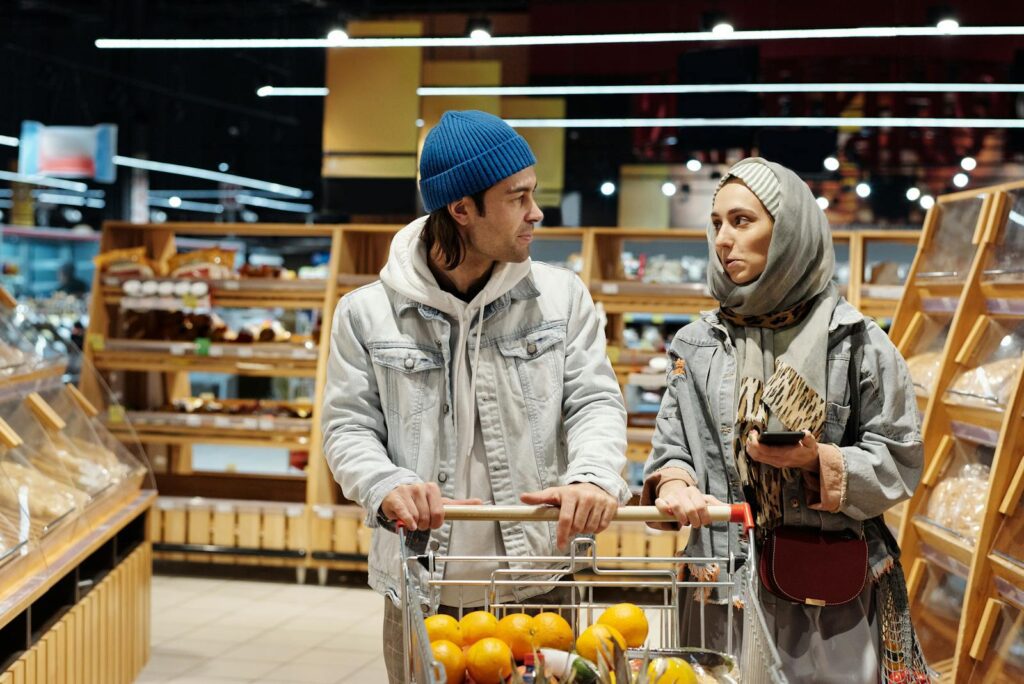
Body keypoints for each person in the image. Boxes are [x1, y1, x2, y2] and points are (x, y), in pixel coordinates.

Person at [321, 110, 629, 683]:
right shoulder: (366, 314)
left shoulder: (561, 299)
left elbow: (595, 402)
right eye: (517, 197)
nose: (536, 212)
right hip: (421, 581)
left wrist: (592, 476)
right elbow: (347, 426)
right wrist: (385, 483)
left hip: (538, 579)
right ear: (462, 209)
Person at [643, 158, 930, 683]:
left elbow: (901, 458)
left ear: (790, 228)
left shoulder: (858, 343)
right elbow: (673, 448)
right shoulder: (696, 344)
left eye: (742, 221)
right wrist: (677, 484)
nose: (723, 240)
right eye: (716, 224)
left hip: (830, 600)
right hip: (719, 589)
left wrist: (816, 461)